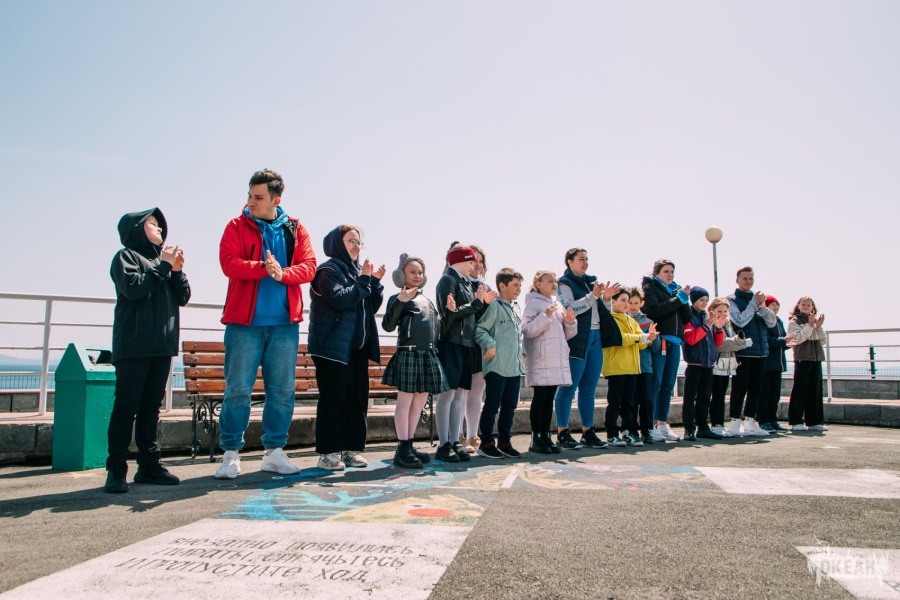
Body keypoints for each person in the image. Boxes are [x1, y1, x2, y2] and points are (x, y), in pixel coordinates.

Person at [215, 170, 317, 479]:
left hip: (284, 325)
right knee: (237, 390)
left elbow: (309, 267)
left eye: (258, 197)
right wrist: (262, 267)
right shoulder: (235, 226)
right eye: (249, 196)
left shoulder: (296, 229)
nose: (251, 202)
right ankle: (231, 454)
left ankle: (274, 453)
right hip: (243, 326)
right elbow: (229, 263)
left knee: (282, 391)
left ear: (276, 200)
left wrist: (282, 274)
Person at [105, 208, 191, 493]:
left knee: (150, 409)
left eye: (160, 225)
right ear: (137, 229)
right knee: (125, 407)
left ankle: (149, 466)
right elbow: (134, 289)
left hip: (161, 346)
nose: (160, 229)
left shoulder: (161, 263)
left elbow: (184, 297)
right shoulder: (125, 257)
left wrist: (176, 270)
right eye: (153, 224)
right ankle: (116, 469)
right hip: (133, 345)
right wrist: (164, 267)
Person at [309, 225, 385, 470]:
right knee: (334, 400)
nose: (356, 246)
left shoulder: (357, 272)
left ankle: (350, 450)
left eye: (358, 242)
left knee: (356, 400)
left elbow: (369, 306)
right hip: (332, 347)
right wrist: (364, 280)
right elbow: (340, 299)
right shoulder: (327, 270)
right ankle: (328, 453)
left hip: (356, 348)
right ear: (337, 244)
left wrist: (375, 283)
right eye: (351, 241)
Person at [381, 254, 449, 468]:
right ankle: (402, 447)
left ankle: (409, 444)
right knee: (405, 402)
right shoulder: (397, 298)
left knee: (419, 403)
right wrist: (400, 302)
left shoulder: (426, 300)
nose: (417, 275)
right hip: (408, 353)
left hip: (427, 354)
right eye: (412, 272)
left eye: (420, 272)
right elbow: (387, 325)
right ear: (402, 274)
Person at [435, 245, 498, 462]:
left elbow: (470, 312)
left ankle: (454, 441)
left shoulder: (465, 283)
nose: (474, 265)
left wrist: (480, 304)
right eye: (470, 261)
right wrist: (477, 303)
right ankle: (444, 444)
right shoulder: (447, 280)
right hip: (451, 343)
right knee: (447, 395)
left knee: (459, 395)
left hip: (466, 344)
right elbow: (449, 316)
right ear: (459, 261)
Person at [555, 248, 621, 450]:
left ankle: (588, 431)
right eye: (581, 259)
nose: (585, 262)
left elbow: (600, 310)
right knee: (568, 387)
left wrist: (605, 299)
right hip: (577, 338)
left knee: (589, 389)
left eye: (587, 259)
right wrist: (593, 296)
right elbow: (570, 308)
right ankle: (562, 432)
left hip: (596, 336)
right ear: (569, 262)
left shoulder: (591, 282)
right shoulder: (564, 283)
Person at [521, 270, 577, 454]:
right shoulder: (533, 303)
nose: (554, 284)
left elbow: (565, 335)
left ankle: (545, 435)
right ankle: (536, 437)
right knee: (540, 398)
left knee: (549, 399)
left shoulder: (557, 304)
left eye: (555, 281)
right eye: (550, 281)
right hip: (541, 358)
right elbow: (528, 330)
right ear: (539, 284)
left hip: (555, 358)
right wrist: (545, 315)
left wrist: (569, 322)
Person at [475, 268, 526, 458]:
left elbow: (519, 335)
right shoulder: (494, 306)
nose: (518, 289)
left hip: (514, 367)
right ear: (502, 286)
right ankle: (486, 443)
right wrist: (490, 344)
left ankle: (504, 442)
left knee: (510, 407)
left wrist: (523, 353)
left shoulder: (516, 307)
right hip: (496, 366)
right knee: (492, 405)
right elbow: (480, 329)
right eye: (515, 285)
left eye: (520, 285)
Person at [641, 259, 692, 442]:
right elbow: (655, 311)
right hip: (660, 340)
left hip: (675, 341)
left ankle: (662, 423)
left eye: (672, 271)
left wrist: (684, 300)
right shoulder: (650, 287)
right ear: (657, 273)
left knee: (668, 384)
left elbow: (687, 317)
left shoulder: (676, 291)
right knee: (656, 382)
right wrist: (678, 300)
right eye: (666, 271)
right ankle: (651, 425)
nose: (670, 275)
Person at [602, 289, 657, 447]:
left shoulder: (632, 321)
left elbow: (641, 344)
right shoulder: (609, 319)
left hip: (632, 369)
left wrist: (649, 338)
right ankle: (612, 434)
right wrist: (642, 337)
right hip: (616, 369)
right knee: (614, 403)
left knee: (629, 403)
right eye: (623, 300)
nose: (626, 304)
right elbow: (621, 338)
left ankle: (628, 431)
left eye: (628, 300)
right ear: (613, 302)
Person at [726, 267, 777, 437]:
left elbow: (771, 323)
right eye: (745, 278)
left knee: (757, 389)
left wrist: (762, 307)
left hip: (760, 352)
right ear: (737, 280)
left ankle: (750, 421)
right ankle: (734, 423)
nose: (748, 281)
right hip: (743, 351)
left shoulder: (758, 301)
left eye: (751, 278)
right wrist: (754, 303)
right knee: (739, 388)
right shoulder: (731, 300)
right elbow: (739, 321)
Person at [680, 287, 726, 441]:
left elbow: (717, 343)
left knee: (705, 397)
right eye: (701, 300)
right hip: (694, 363)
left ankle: (703, 427)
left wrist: (718, 328)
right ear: (693, 300)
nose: (704, 303)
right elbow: (691, 339)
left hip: (708, 364)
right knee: (689, 397)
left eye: (706, 300)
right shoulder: (688, 316)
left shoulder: (708, 316)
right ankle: (689, 428)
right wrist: (706, 326)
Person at [459, 244, 490, 454]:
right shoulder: (459, 284)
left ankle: (472, 436)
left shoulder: (485, 287)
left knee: (476, 393)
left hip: (480, 345)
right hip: (462, 344)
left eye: (480, 261)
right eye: (473, 260)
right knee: (460, 393)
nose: (477, 264)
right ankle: (458, 436)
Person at [708, 297, 752, 438]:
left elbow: (730, 342)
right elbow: (720, 345)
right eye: (719, 311)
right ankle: (716, 424)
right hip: (716, 364)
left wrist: (737, 340)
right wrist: (742, 343)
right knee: (717, 396)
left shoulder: (728, 324)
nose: (723, 314)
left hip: (727, 365)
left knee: (721, 395)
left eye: (725, 311)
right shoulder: (712, 324)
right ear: (712, 311)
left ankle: (720, 424)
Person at [787, 297, 828, 432]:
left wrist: (818, 327)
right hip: (802, 359)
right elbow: (797, 339)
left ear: (812, 307)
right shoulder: (794, 321)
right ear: (798, 306)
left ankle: (814, 421)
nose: (806, 306)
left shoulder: (814, 321)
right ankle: (796, 421)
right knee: (800, 391)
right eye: (803, 304)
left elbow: (822, 341)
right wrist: (810, 326)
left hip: (816, 359)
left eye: (808, 305)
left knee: (815, 391)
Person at [626, 288, 660, 445]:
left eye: (636, 303)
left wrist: (653, 337)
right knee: (630, 400)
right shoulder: (622, 320)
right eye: (630, 302)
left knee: (646, 400)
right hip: (628, 367)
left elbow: (655, 348)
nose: (633, 306)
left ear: (642, 303)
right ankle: (631, 430)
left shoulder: (648, 322)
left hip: (645, 366)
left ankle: (646, 430)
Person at [761, 296, 793, 431]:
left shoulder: (779, 321)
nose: (775, 307)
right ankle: (764, 420)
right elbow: (766, 340)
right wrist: (783, 341)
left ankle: (773, 420)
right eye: (772, 304)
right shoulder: (764, 320)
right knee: (765, 394)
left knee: (775, 395)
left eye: (777, 304)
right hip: (767, 363)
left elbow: (783, 339)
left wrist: (788, 342)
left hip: (778, 364)